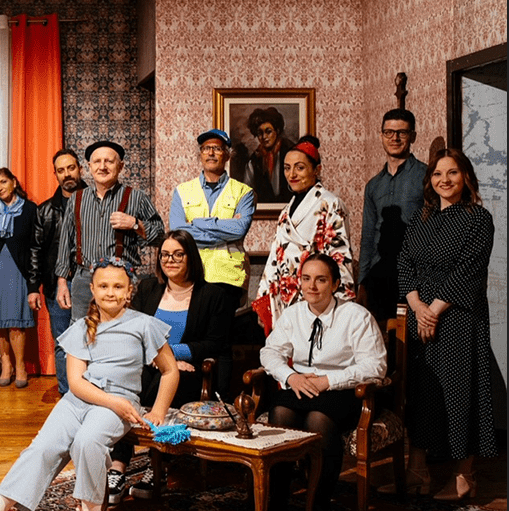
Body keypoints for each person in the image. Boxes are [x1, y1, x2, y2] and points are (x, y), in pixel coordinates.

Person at [0, 257, 180, 511]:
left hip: (118, 401)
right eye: (103, 286)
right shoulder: (82, 327)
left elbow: (170, 370)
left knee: (88, 441)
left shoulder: (144, 325)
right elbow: (76, 383)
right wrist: (113, 402)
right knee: (42, 448)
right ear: (92, 289)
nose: (110, 293)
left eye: (118, 287)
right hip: (83, 400)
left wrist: (157, 410)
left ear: (129, 291)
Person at [390, 149, 496, 501]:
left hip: (459, 319)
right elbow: (404, 264)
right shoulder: (421, 219)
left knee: (459, 393)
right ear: (429, 180)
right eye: (437, 173)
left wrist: (433, 310)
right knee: (421, 393)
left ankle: (464, 477)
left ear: (466, 177)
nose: (444, 180)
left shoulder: (478, 219)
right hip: (421, 317)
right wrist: (417, 306)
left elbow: (468, 270)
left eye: (452, 173)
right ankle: (417, 470)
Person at [105, 230, 234, 504]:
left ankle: (158, 466)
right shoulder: (149, 289)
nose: (170, 260)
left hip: (190, 371)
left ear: (191, 258)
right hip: (149, 363)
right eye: (164, 255)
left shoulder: (212, 295)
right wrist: (160, 358)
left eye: (178, 254)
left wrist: (171, 356)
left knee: (166, 381)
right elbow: (134, 333)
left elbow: (214, 343)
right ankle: (118, 467)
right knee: (122, 386)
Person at [260, 253, 386, 511]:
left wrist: (328, 381)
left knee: (318, 419)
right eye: (306, 279)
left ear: (336, 284)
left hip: (345, 391)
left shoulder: (356, 316)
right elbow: (269, 353)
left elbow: (375, 366)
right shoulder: (293, 314)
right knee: (280, 412)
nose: (312, 286)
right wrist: (290, 376)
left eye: (321, 280)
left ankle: (319, 504)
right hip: (302, 385)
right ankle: (278, 500)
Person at [169, 128, 255, 396]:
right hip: (190, 275)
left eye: (217, 148)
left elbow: (239, 230)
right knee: (193, 337)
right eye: (206, 148)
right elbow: (178, 231)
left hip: (226, 276)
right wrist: (220, 228)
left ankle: (222, 402)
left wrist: (199, 224)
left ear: (227, 155)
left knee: (222, 341)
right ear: (200, 154)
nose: (211, 153)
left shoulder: (243, 192)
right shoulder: (182, 191)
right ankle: (191, 397)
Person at [55, 140, 164, 322]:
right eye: (97, 161)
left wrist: (135, 224)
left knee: (121, 331)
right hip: (84, 280)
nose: (102, 167)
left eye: (109, 161)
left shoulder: (136, 198)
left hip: (121, 278)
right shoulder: (77, 199)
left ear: (120, 166)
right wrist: (62, 282)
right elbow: (65, 243)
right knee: (82, 332)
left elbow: (160, 236)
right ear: (89, 167)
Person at [255, 135, 355, 329]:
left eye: (300, 168)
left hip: (315, 291)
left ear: (317, 170)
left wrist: (342, 304)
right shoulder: (286, 211)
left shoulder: (330, 204)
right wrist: (264, 295)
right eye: (287, 168)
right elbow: (276, 254)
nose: (292, 174)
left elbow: (340, 256)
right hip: (285, 293)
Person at [358, 108, 427, 323]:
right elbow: (368, 236)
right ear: (381, 135)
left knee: (411, 337)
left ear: (413, 136)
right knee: (379, 336)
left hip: (415, 276)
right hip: (379, 276)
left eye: (401, 132)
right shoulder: (373, 185)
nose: (394, 138)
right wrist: (362, 282)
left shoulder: (426, 177)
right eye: (388, 132)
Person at [28, 148, 87, 394]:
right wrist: (33, 287)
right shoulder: (45, 210)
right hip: (57, 286)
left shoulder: (97, 203)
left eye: (71, 168)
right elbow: (35, 250)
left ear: (80, 169)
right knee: (63, 342)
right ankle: (67, 395)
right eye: (61, 170)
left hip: (90, 284)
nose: (67, 174)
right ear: (55, 174)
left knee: (93, 341)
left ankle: (92, 394)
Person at [0, 168, 38, 388]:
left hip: (17, 270)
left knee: (15, 322)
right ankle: (6, 364)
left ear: (14, 181)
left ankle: (20, 366)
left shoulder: (30, 209)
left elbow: (34, 244)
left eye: (3, 182)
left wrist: (33, 279)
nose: (0, 188)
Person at [243, 107, 296, 204]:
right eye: (260, 133)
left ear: (277, 131)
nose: (264, 137)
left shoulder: (291, 152)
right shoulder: (254, 161)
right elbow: (246, 192)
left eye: (268, 131)